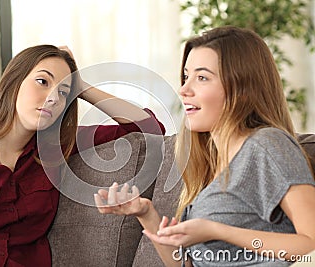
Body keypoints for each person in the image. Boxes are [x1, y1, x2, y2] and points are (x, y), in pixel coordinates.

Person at [0, 45, 165, 267]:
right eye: (43, 82)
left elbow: (149, 127)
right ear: (14, 82)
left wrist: (82, 86)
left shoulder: (56, 149)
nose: (52, 98)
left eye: (64, 92)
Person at [95, 26, 315, 266]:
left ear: (240, 90)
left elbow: (310, 244)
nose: (184, 89)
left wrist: (217, 230)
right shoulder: (212, 163)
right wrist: (146, 215)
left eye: (202, 78)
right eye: (186, 76)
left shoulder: (267, 145)